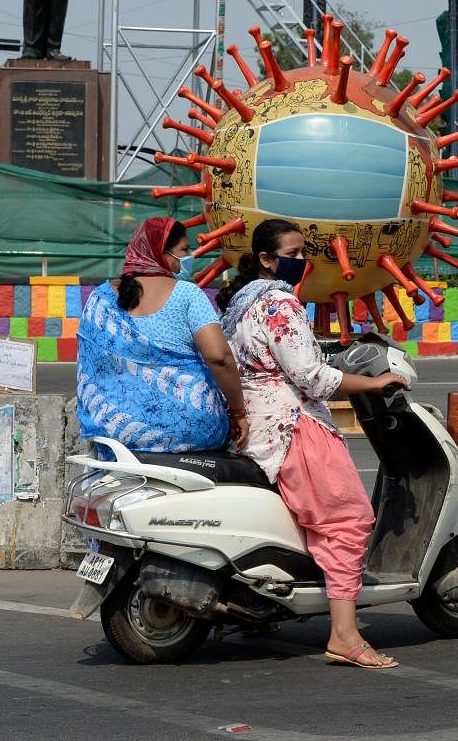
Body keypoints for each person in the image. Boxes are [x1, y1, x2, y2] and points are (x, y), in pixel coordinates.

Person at [217, 219, 409, 670]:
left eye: (304, 252)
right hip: (293, 424)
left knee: (293, 520)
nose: (302, 261)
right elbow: (313, 378)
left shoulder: (240, 303)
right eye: (295, 253)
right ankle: (344, 634)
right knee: (348, 520)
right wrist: (375, 382)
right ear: (267, 259)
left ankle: (259, 616)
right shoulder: (281, 304)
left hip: (253, 428)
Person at [76, 217, 248, 454]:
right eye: (184, 249)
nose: (190, 257)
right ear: (161, 253)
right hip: (191, 430)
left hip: (118, 432)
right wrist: (238, 411)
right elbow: (219, 357)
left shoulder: (100, 299)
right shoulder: (188, 295)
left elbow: (93, 369)